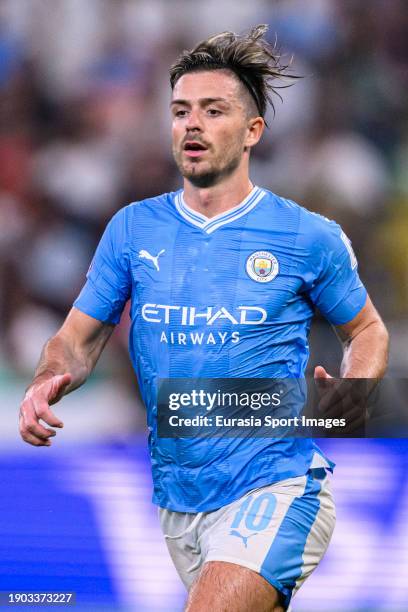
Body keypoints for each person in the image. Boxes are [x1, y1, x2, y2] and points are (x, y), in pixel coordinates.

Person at [19, 25, 389, 612]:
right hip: (179, 499)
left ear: (251, 132)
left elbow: (367, 329)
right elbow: (75, 341)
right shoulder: (132, 230)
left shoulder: (306, 235)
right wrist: (46, 380)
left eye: (213, 111)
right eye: (181, 111)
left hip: (278, 483)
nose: (192, 124)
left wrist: (355, 389)